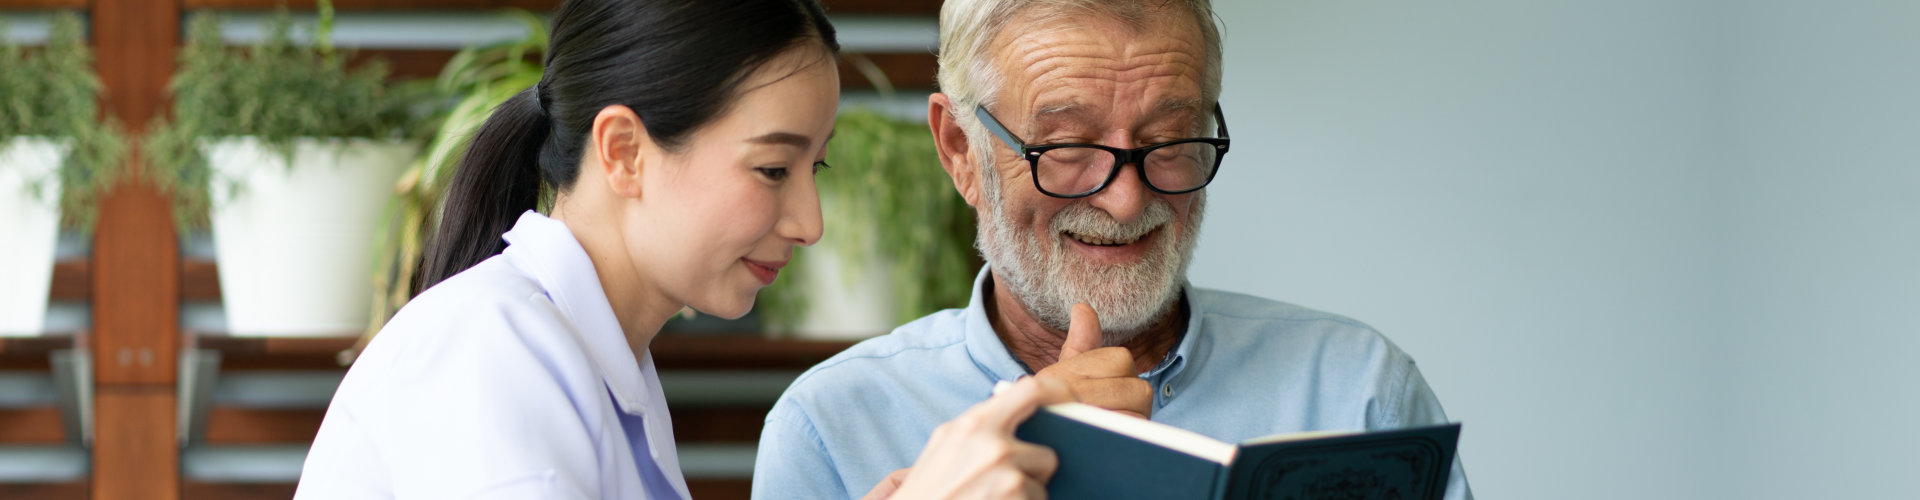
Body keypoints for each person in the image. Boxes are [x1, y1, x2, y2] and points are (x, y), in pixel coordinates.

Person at [293, 0, 1077, 498]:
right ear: (625, 151)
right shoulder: (492, 351)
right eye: (773, 169)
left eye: (816, 168)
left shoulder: (607, 366)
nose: (810, 221)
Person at [751, 0, 1475, 499]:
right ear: (960, 151)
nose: (1127, 200)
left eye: (1169, 141)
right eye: (1066, 146)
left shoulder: (1359, 392)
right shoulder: (832, 428)